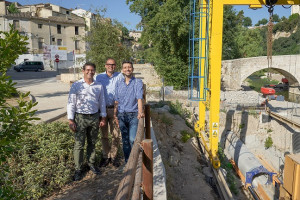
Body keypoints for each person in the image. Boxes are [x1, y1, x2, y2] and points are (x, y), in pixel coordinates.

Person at [67, 62, 107, 181]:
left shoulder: (98, 86)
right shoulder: (76, 85)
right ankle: (78, 169)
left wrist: (103, 117)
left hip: (94, 117)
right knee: (79, 144)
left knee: (92, 142)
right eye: (88, 70)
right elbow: (71, 103)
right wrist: (70, 120)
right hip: (80, 117)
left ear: (95, 71)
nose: (90, 72)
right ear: (83, 71)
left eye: (92, 70)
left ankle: (91, 164)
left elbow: (102, 102)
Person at [114, 61, 144, 163]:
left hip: (133, 115)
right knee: (125, 140)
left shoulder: (137, 82)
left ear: (132, 69)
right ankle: (128, 162)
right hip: (121, 115)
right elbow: (116, 101)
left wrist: (140, 112)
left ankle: (135, 160)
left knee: (132, 139)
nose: (127, 69)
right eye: (125, 67)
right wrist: (115, 115)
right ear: (122, 70)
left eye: (129, 67)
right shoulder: (118, 83)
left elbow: (139, 98)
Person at [96, 58, 123, 167]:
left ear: (115, 66)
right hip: (102, 109)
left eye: (113, 64)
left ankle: (113, 156)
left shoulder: (120, 76)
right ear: (105, 65)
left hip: (115, 109)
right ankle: (105, 156)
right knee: (104, 135)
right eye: (109, 64)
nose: (111, 66)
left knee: (115, 135)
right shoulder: (99, 77)